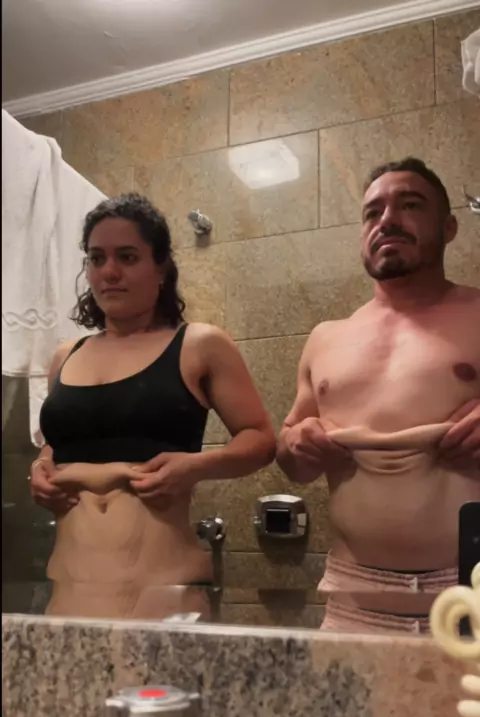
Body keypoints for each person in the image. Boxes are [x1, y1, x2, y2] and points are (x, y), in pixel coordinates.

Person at [30, 193, 275, 620]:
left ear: (161, 268)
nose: (109, 272)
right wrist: (40, 466)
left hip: (163, 595)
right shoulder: (66, 356)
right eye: (96, 258)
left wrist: (196, 466)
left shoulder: (198, 345)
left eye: (127, 257)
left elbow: (261, 439)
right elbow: (59, 442)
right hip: (70, 596)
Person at [277, 158, 480, 634]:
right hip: (352, 603)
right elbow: (291, 458)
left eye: (411, 205)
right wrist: (296, 442)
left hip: (471, 599)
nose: (387, 219)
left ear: (449, 227)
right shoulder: (326, 338)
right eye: (373, 212)